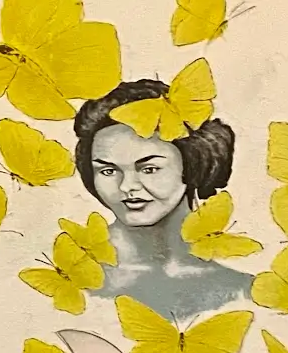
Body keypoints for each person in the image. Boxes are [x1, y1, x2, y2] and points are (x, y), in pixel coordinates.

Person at [73, 79, 252, 318]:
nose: (127, 186)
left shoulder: (241, 292)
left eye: (149, 169)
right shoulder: (76, 282)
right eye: (108, 171)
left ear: (193, 165)